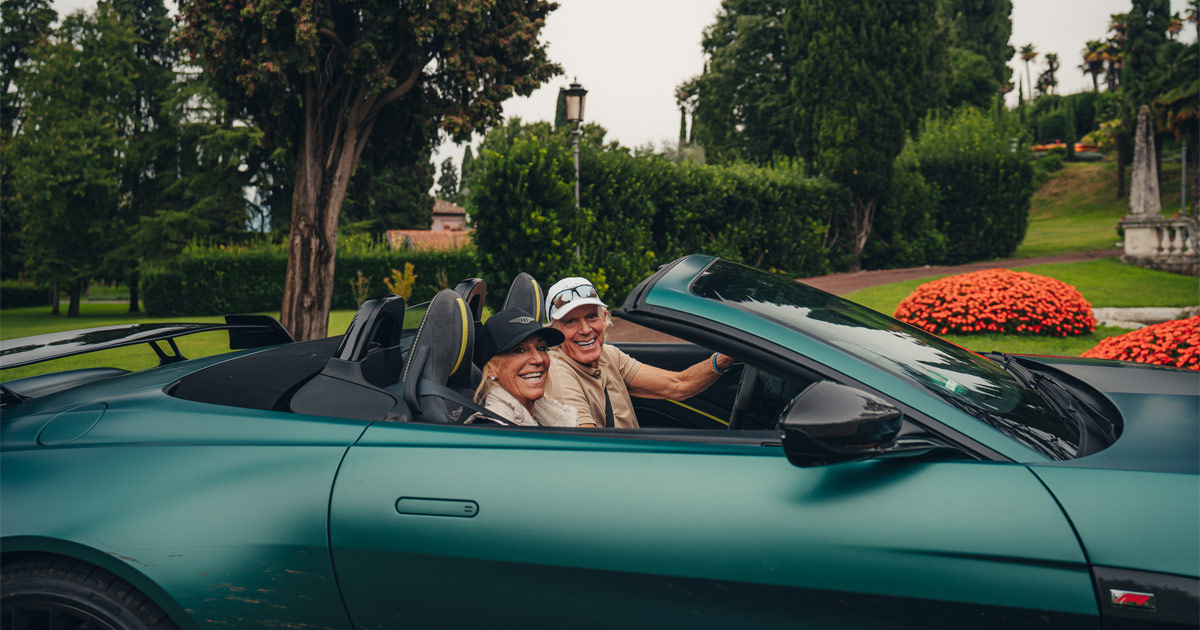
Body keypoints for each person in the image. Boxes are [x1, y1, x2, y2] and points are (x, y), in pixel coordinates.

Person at [543, 277, 735, 428]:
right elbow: (589, 449)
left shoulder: (608, 355)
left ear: (603, 318)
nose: (585, 329)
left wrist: (723, 359)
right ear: (555, 331)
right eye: (570, 321)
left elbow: (678, 385)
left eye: (591, 316)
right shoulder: (559, 373)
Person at [471, 307, 595, 428]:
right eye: (519, 350)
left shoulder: (548, 417)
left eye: (541, 348)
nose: (539, 359)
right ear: (491, 369)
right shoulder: (494, 432)